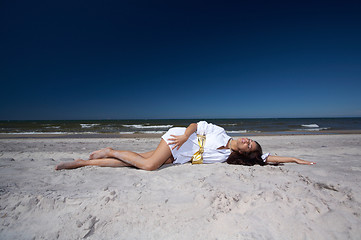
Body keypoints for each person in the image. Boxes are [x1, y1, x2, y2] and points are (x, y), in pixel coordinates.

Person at [55, 121, 315, 171]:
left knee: (133, 163)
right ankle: (110, 150)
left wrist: (299, 160)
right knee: (147, 165)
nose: (247, 142)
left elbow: (269, 158)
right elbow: (194, 124)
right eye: (249, 139)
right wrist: (183, 137)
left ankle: (84, 162)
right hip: (178, 139)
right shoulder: (220, 131)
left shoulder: (228, 158)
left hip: (179, 156)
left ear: (243, 153)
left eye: (249, 146)